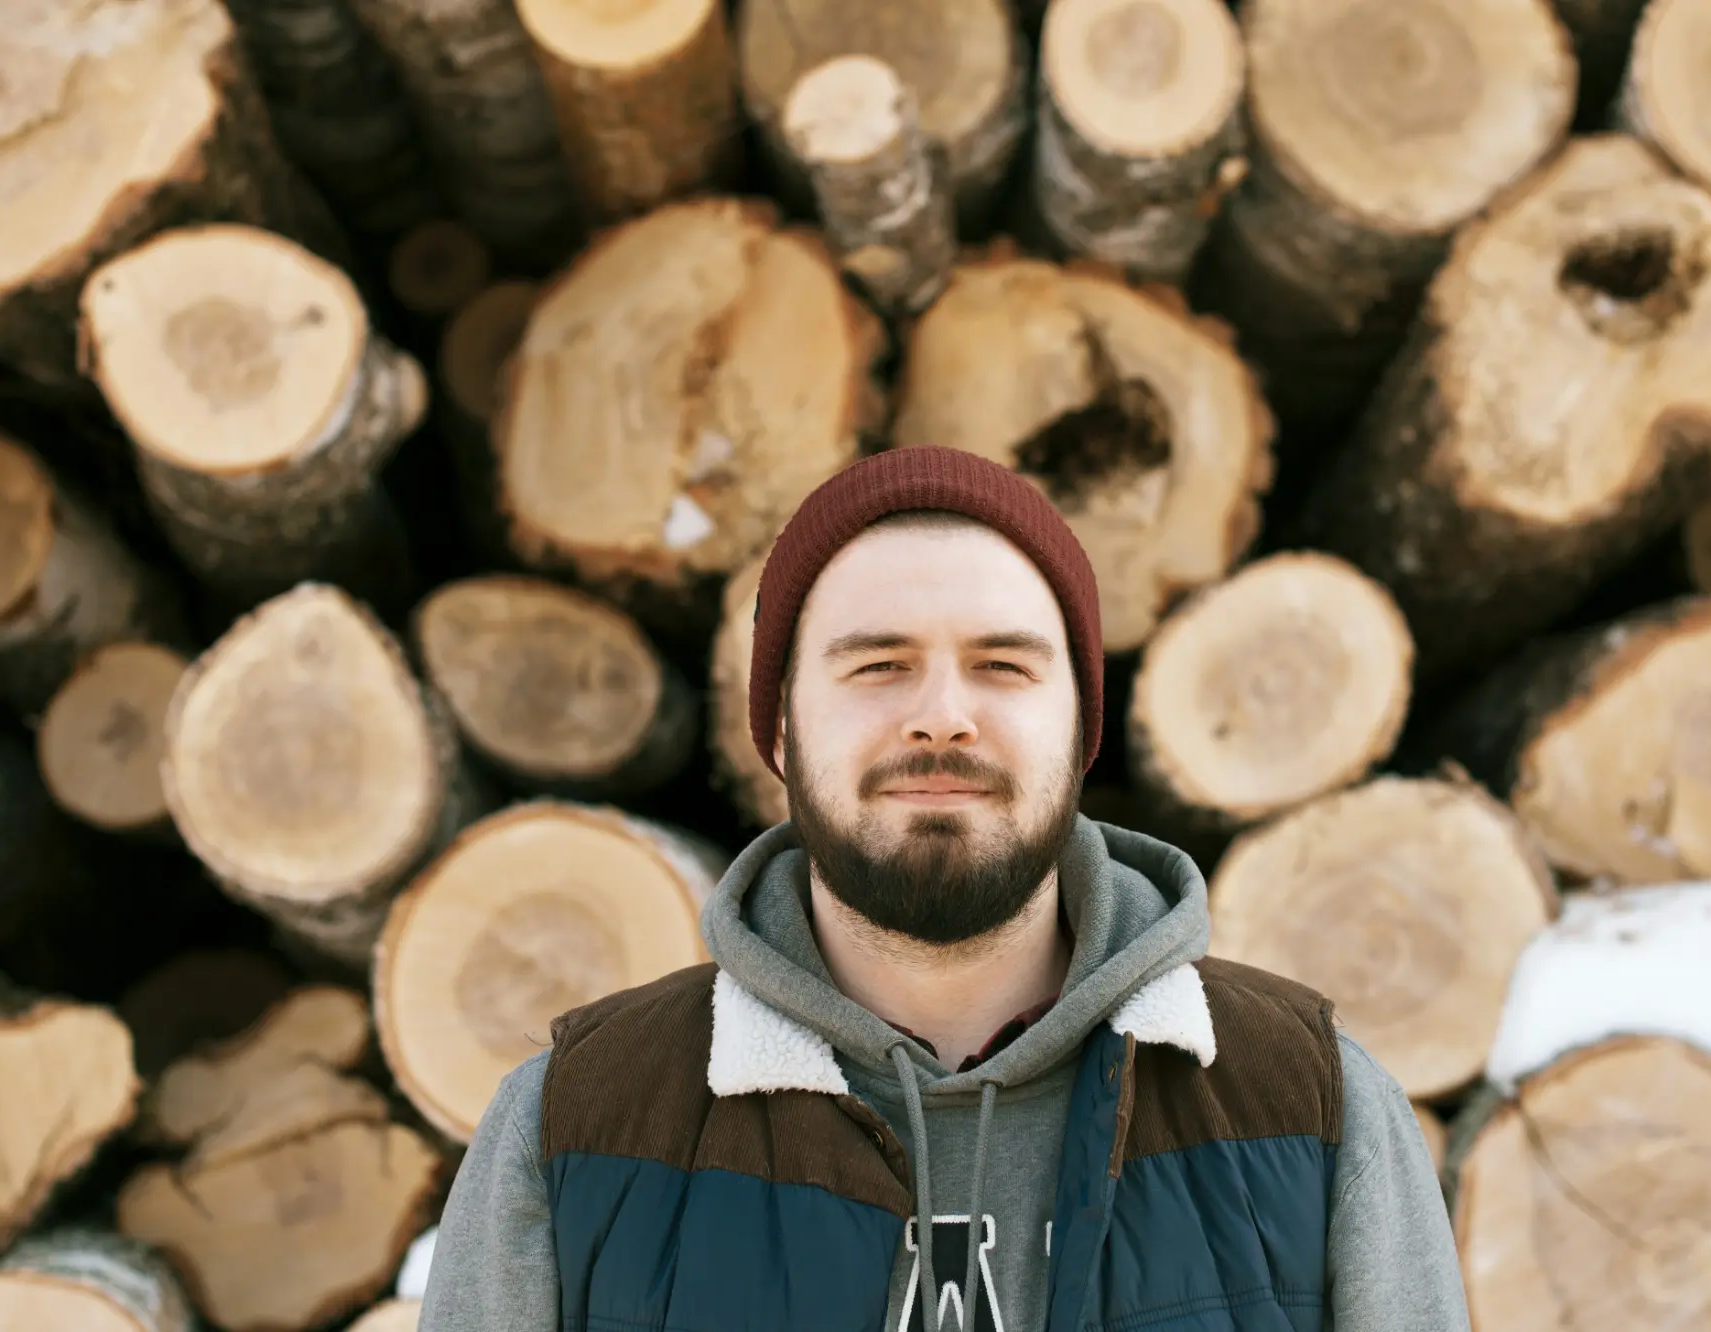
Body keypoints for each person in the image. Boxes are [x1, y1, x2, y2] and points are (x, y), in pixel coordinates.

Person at [418, 446, 1469, 1331]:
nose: (941, 716)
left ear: (1080, 726)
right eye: (877, 666)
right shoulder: (581, 1126)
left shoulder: (1307, 1105)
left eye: (1003, 667)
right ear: (780, 728)